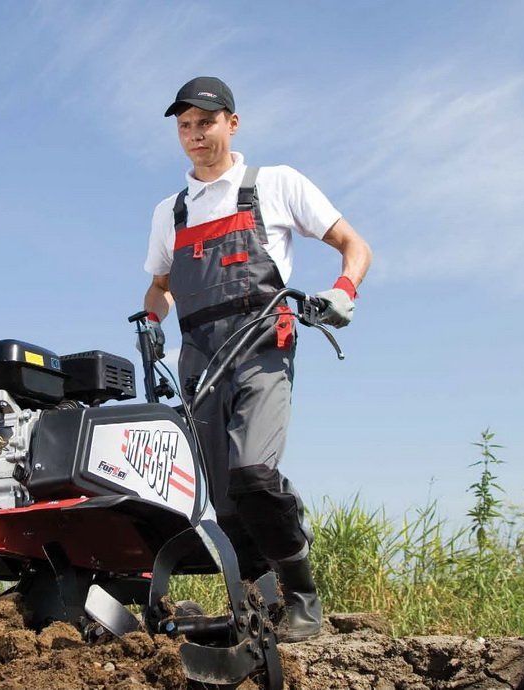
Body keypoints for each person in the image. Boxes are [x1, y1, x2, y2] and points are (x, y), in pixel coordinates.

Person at [141, 76, 372, 641]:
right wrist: (151, 321)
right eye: (185, 126)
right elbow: (160, 286)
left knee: (253, 475)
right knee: (223, 500)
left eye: (205, 122)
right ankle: (256, 606)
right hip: (199, 361)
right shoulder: (170, 212)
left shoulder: (275, 184)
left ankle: (303, 598)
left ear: (232, 123)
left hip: (261, 346)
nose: (195, 134)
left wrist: (343, 290)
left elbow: (355, 245)